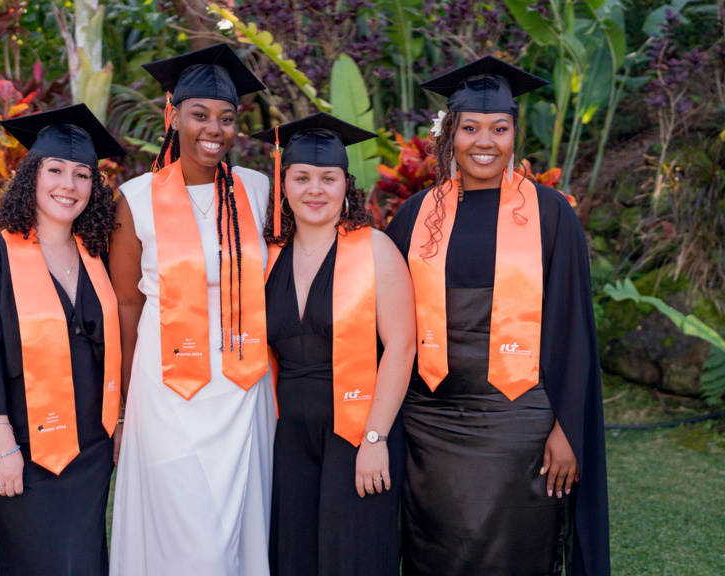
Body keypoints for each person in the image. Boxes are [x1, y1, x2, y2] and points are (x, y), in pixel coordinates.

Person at [384, 56, 610, 576]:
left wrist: (567, 428)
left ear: (514, 136)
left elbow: (572, 331)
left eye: (499, 129)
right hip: (430, 421)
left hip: (519, 420)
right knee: (433, 555)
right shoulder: (416, 215)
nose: (484, 142)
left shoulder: (550, 214)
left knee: (515, 554)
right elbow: (386, 323)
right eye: (470, 128)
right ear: (450, 135)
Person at [108, 44, 276, 576]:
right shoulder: (135, 198)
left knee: (239, 527)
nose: (214, 129)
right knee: (189, 532)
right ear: (174, 116)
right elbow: (127, 304)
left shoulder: (257, 189)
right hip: (167, 386)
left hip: (243, 385)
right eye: (200, 114)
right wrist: (125, 404)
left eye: (226, 118)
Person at [0, 103, 126, 575]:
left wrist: (120, 422)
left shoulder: (97, 256)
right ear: (32, 176)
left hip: (91, 450)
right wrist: (3, 446)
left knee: (84, 564)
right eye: (55, 170)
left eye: (82, 174)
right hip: (25, 449)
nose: (69, 184)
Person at [253, 113, 416, 576]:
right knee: (293, 556)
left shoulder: (374, 249)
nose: (315, 190)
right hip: (288, 435)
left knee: (354, 556)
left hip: (358, 427)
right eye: (302, 177)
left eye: (328, 178)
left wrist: (375, 438)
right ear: (284, 184)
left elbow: (402, 346)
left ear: (346, 185)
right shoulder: (267, 256)